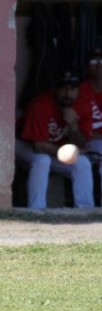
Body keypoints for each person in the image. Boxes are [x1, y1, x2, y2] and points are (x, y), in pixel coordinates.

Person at [15, 70, 95, 209]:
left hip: (54, 150)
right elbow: (38, 146)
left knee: (82, 163)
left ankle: (85, 210)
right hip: (23, 145)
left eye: (72, 89)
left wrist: (74, 127)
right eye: (63, 88)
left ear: (78, 90)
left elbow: (82, 143)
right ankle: (36, 210)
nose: (67, 93)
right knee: (42, 160)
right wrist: (65, 153)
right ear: (54, 89)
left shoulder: (83, 105)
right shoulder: (40, 104)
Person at [78, 48, 102, 199]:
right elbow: (83, 133)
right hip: (86, 141)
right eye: (94, 61)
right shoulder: (81, 90)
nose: (99, 65)